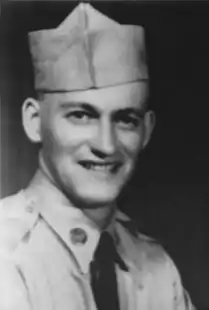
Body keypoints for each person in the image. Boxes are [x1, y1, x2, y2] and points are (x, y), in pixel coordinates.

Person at [0, 3, 195, 310]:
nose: (106, 145)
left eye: (126, 119)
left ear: (147, 130)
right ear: (34, 121)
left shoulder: (158, 270)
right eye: (81, 115)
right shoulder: (6, 255)